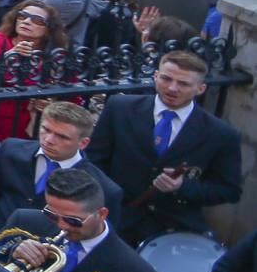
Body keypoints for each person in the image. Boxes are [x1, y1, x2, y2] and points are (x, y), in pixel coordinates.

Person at [86, 49, 241, 243]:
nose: (172, 88)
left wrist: (183, 186)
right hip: (117, 220)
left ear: (200, 88)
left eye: (183, 83)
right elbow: (93, 163)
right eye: (166, 79)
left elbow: (230, 190)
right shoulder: (120, 108)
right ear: (156, 76)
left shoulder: (221, 133)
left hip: (174, 228)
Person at [0, 168, 159, 272]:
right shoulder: (25, 221)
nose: (61, 225)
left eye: (73, 220)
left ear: (102, 214)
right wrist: (13, 251)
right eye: (51, 214)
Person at [0, 101, 123, 234]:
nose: (49, 140)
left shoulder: (104, 189)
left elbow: (96, 239)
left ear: (83, 143)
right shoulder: (11, 150)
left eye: (62, 136)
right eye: (46, 130)